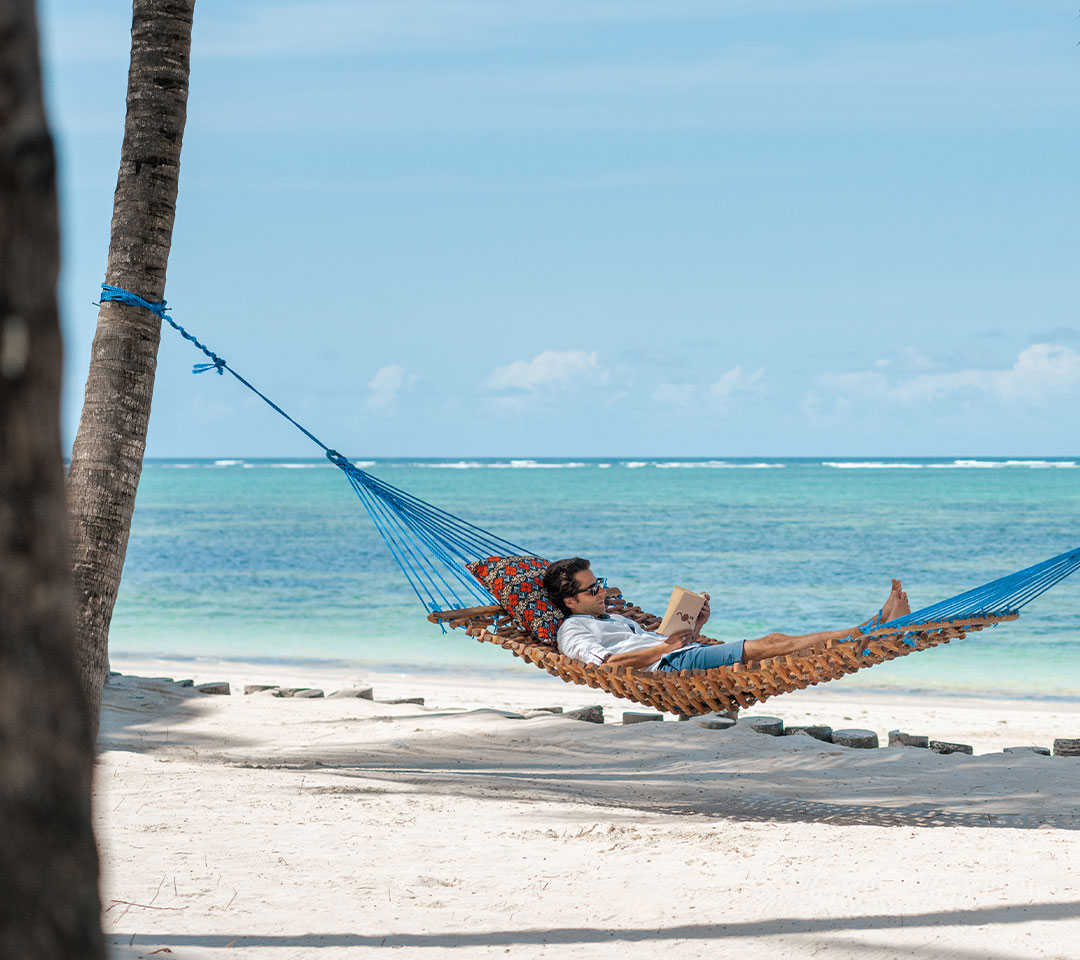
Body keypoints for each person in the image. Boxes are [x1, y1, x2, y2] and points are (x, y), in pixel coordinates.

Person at [541, 557, 911, 672]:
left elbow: (661, 641)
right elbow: (608, 665)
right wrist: (663, 648)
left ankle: (874, 627)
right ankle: (873, 626)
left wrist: (694, 624)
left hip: (679, 653)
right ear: (570, 602)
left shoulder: (614, 620)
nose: (601, 591)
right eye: (592, 589)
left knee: (780, 648)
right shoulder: (572, 632)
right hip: (672, 666)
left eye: (600, 582)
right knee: (775, 644)